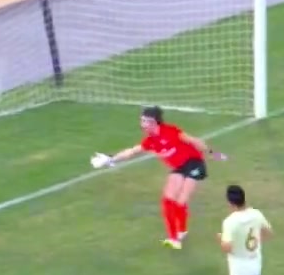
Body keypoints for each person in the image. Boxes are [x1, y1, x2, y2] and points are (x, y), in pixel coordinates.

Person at [91, 106, 222, 249]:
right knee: (167, 200)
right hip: (179, 168)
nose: (142, 124)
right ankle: (174, 238)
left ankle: (181, 232)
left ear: (153, 122)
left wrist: (212, 153)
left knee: (180, 201)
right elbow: (132, 151)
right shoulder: (150, 141)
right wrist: (111, 159)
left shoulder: (171, 131)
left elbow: (194, 141)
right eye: (141, 120)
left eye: (144, 121)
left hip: (194, 164)